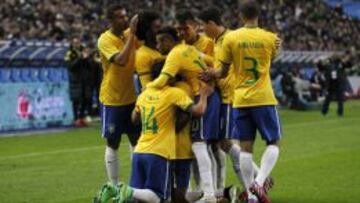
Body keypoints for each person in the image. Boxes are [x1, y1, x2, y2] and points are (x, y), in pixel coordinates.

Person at [201, 1, 281, 202]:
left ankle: (253, 198)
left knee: (246, 147)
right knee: (273, 142)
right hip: (263, 97)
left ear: (241, 15)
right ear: (258, 14)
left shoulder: (232, 37)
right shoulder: (270, 38)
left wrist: (211, 72)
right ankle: (260, 182)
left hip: (240, 99)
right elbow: (269, 62)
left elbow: (223, 71)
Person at [105, 63, 212, 203]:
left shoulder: (144, 94)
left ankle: (118, 194)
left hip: (140, 150)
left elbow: (134, 119)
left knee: (137, 198)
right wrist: (204, 95)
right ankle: (122, 189)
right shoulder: (174, 93)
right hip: (159, 152)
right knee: (158, 197)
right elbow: (199, 111)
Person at [147, 26, 220, 202]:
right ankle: (210, 191)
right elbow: (210, 61)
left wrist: (146, 91)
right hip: (210, 94)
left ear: (168, 40)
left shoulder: (175, 54)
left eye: (160, 41)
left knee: (199, 145)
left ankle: (210, 194)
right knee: (205, 146)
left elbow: (162, 80)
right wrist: (210, 74)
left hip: (202, 96)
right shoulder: (189, 48)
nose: (158, 46)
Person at [175, 9, 220, 201]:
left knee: (206, 145)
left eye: (185, 29)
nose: (182, 33)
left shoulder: (208, 43)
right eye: (178, 30)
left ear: (195, 27)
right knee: (196, 146)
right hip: (190, 98)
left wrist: (201, 56)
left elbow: (218, 67)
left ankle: (212, 192)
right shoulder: (181, 46)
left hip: (207, 96)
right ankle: (203, 191)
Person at [96, 3, 140, 189]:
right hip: (112, 99)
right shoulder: (104, 40)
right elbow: (120, 61)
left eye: (125, 16)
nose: (124, 19)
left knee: (136, 140)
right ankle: (113, 186)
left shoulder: (128, 34)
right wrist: (132, 35)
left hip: (131, 97)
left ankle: (136, 183)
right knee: (113, 142)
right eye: (120, 17)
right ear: (111, 20)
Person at [135, 9, 164, 88]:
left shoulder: (166, 47)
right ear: (146, 31)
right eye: (157, 27)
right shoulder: (142, 55)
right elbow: (147, 87)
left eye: (161, 26)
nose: (161, 30)